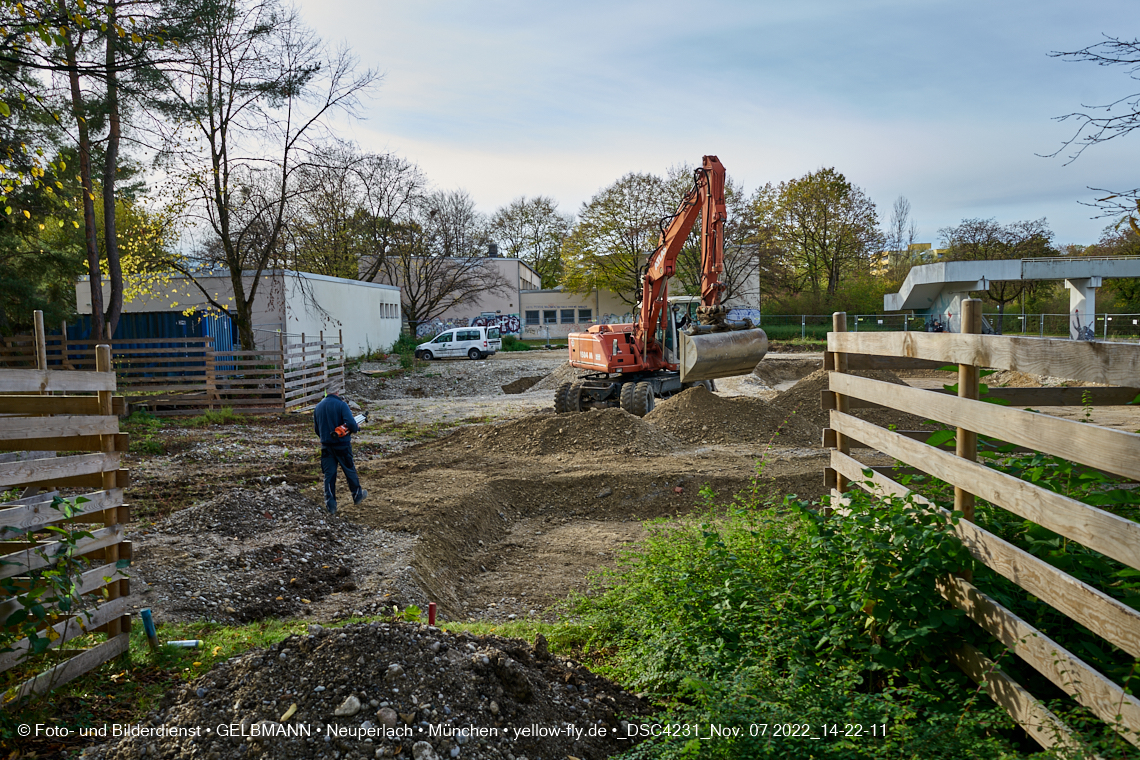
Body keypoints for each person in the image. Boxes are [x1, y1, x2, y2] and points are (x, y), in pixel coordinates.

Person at [313, 391, 367, 515]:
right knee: (349, 470)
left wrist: (325, 438)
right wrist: (356, 428)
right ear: (337, 391)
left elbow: (317, 429)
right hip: (342, 445)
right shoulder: (342, 405)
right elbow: (351, 424)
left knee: (329, 475)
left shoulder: (318, 407)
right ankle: (357, 495)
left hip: (326, 446)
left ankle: (331, 505)